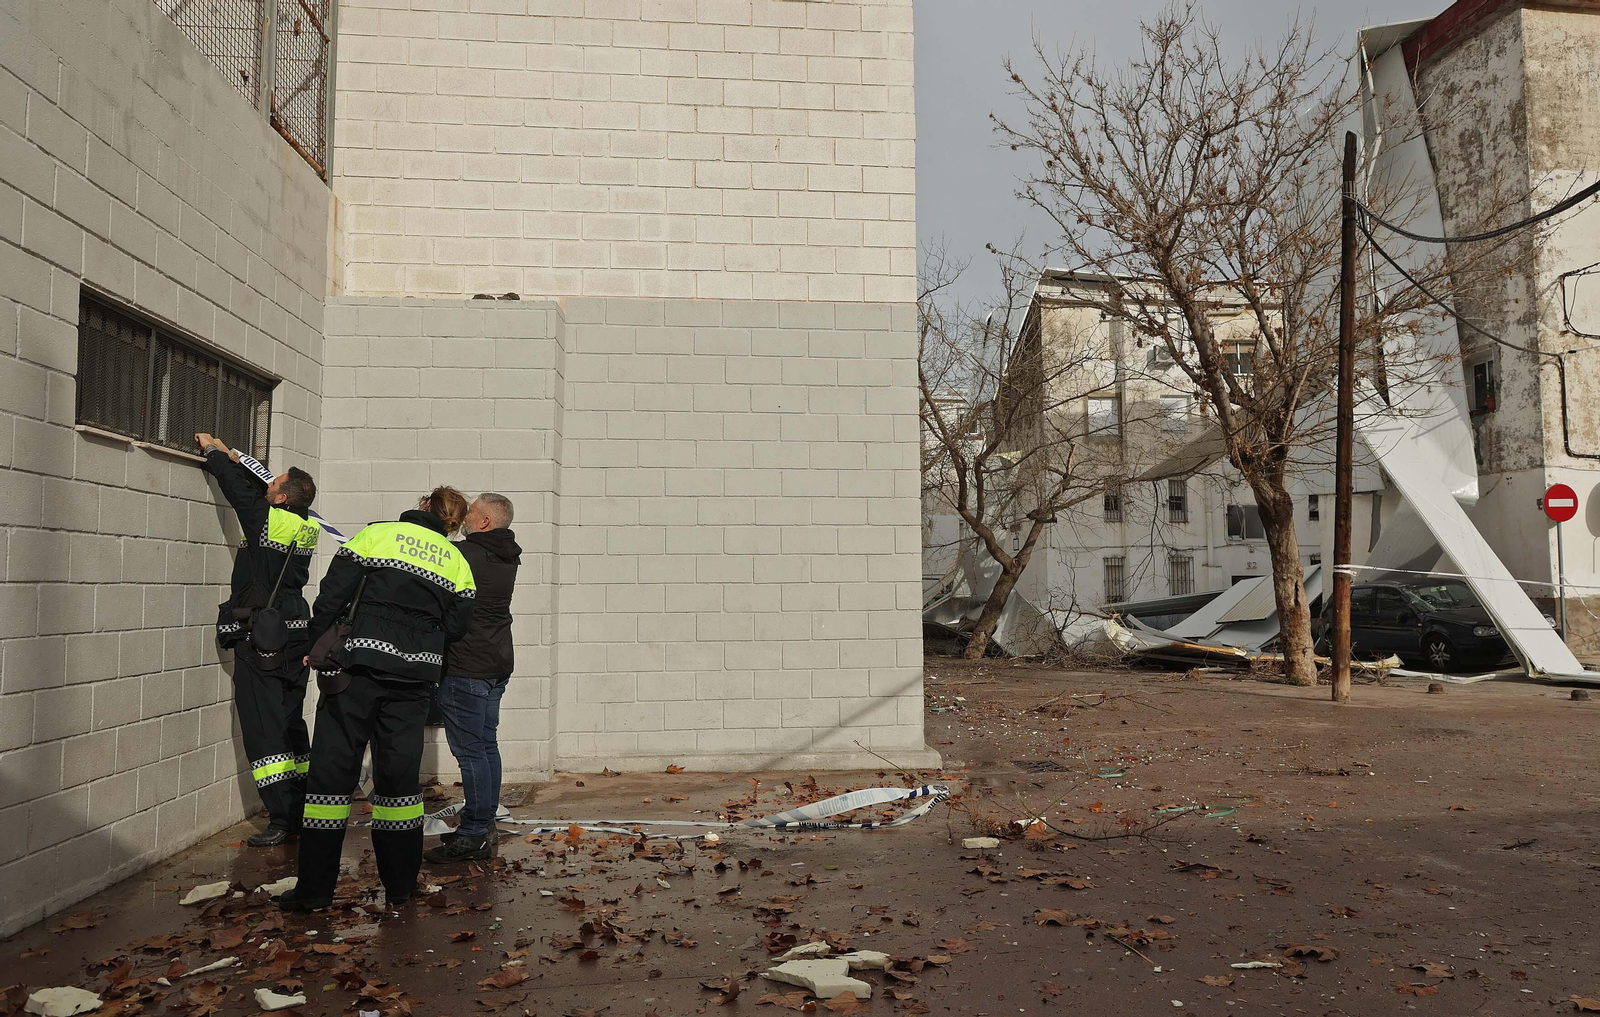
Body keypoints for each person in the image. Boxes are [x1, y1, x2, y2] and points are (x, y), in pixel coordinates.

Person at [277, 487, 475, 911]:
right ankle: (401, 887)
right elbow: (457, 625)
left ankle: (314, 892)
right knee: (399, 788)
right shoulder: (458, 562)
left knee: (330, 781)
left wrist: (316, 644)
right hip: (413, 681)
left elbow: (333, 593)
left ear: (424, 506)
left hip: (356, 671)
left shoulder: (377, 535)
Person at [194, 432, 320, 848]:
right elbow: (255, 490)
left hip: (264, 637)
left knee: (263, 728)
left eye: (274, 485)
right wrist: (238, 457)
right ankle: (301, 808)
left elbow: (238, 491)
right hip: (296, 631)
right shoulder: (305, 525)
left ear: (282, 498)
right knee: (289, 720)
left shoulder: (268, 518)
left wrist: (213, 451)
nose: (267, 488)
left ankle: (282, 817)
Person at [425, 494, 522, 863]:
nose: (465, 516)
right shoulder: (506, 554)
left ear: (484, 523)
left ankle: (474, 832)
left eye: (473, 512)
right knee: (485, 745)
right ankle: (484, 825)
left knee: (470, 752)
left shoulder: (468, 554)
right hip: (496, 662)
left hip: (468, 666)